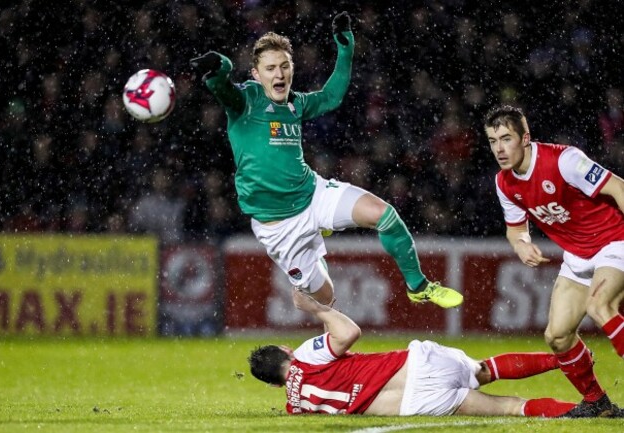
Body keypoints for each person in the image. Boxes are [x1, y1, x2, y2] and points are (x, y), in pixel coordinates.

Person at [189, 12, 463, 308]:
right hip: (278, 228)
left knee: (386, 216)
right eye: (270, 69)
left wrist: (346, 51)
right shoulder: (246, 101)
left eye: (284, 66)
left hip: (312, 194)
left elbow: (331, 96)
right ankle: (304, 292)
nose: (279, 75)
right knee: (326, 298)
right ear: (256, 74)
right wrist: (219, 69)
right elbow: (223, 89)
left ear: (292, 68)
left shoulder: (296, 103)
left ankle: (418, 286)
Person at [248, 289, 590, 417]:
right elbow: (348, 333)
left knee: (512, 408)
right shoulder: (306, 355)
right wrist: (317, 308)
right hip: (413, 368)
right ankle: (565, 359)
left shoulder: (297, 408)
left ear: (275, 386)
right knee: (484, 370)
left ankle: (584, 414)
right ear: (285, 350)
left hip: (414, 406)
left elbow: (327, 376)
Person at [484, 104, 624, 417]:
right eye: (493, 141)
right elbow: (515, 229)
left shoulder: (565, 160)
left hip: (615, 242)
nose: (499, 149)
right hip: (577, 257)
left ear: (525, 138)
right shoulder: (504, 182)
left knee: (600, 307)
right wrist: (522, 245)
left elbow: (618, 188)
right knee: (557, 337)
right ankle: (597, 404)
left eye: (506, 138)